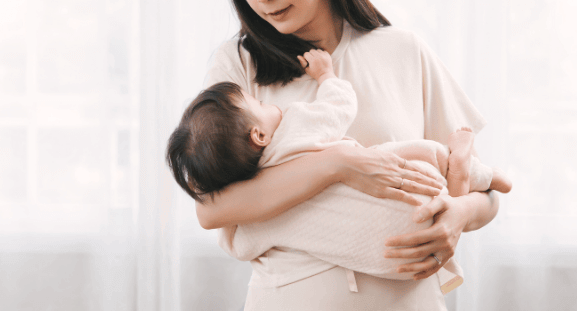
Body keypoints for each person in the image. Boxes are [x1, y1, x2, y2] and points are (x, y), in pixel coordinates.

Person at [193, 0, 503, 311]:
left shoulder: (402, 51)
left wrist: (457, 216)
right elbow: (213, 208)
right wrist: (339, 165)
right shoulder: (237, 69)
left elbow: (482, 189)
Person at [167, 48, 511, 293]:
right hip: (413, 219)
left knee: (401, 166)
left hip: (393, 264)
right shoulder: (286, 117)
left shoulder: (404, 49)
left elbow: (236, 240)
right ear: (258, 135)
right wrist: (338, 156)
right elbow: (338, 105)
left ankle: (464, 183)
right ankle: (476, 173)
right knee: (419, 154)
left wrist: (462, 212)